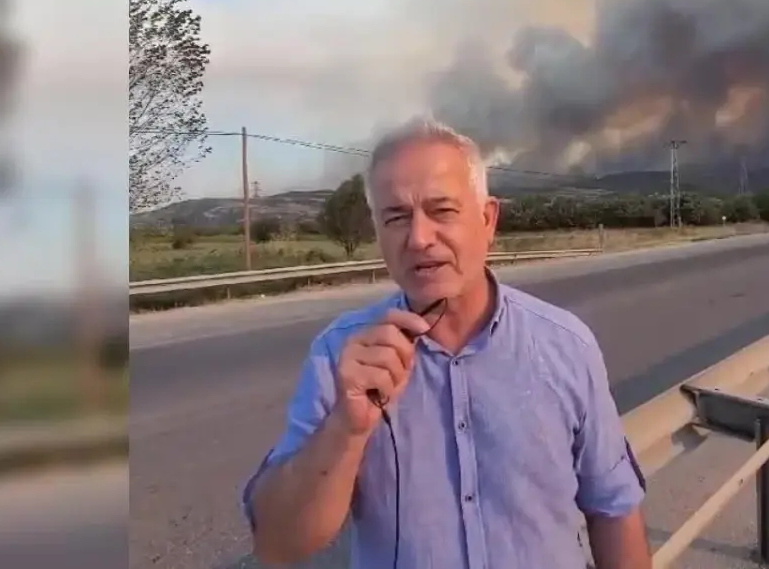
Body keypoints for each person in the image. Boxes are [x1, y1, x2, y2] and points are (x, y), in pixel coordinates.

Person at [242, 117, 651, 569]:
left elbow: (613, 510)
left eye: (442, 211)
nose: (419, 238)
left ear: (487, 219)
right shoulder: (341, 357)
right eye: (396, 217)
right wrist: (346, 428)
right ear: (377, 232)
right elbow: (278, 545)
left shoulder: (566, 345)